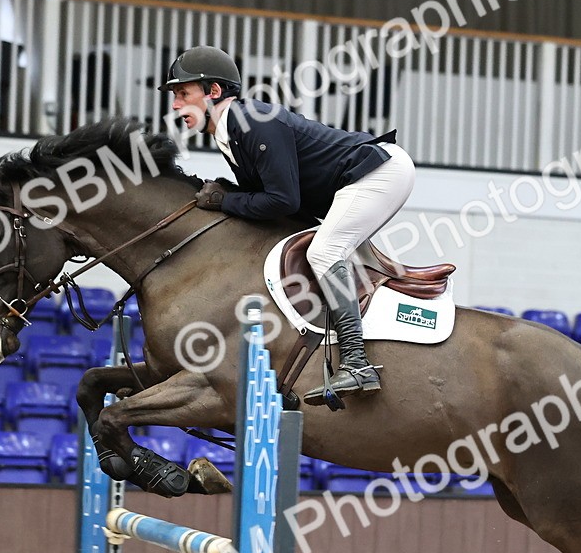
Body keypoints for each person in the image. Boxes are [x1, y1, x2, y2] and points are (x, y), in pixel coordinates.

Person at [161, 45, 415, 404]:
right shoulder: (231, 134)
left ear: (214, 92)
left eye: (183, 94)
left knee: (325, 251)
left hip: (379, 172)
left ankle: (357, 362)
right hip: (357, 180)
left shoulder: (254, 122)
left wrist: (226, 200)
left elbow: (283, 201)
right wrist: (228, 195)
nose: (175, 106)